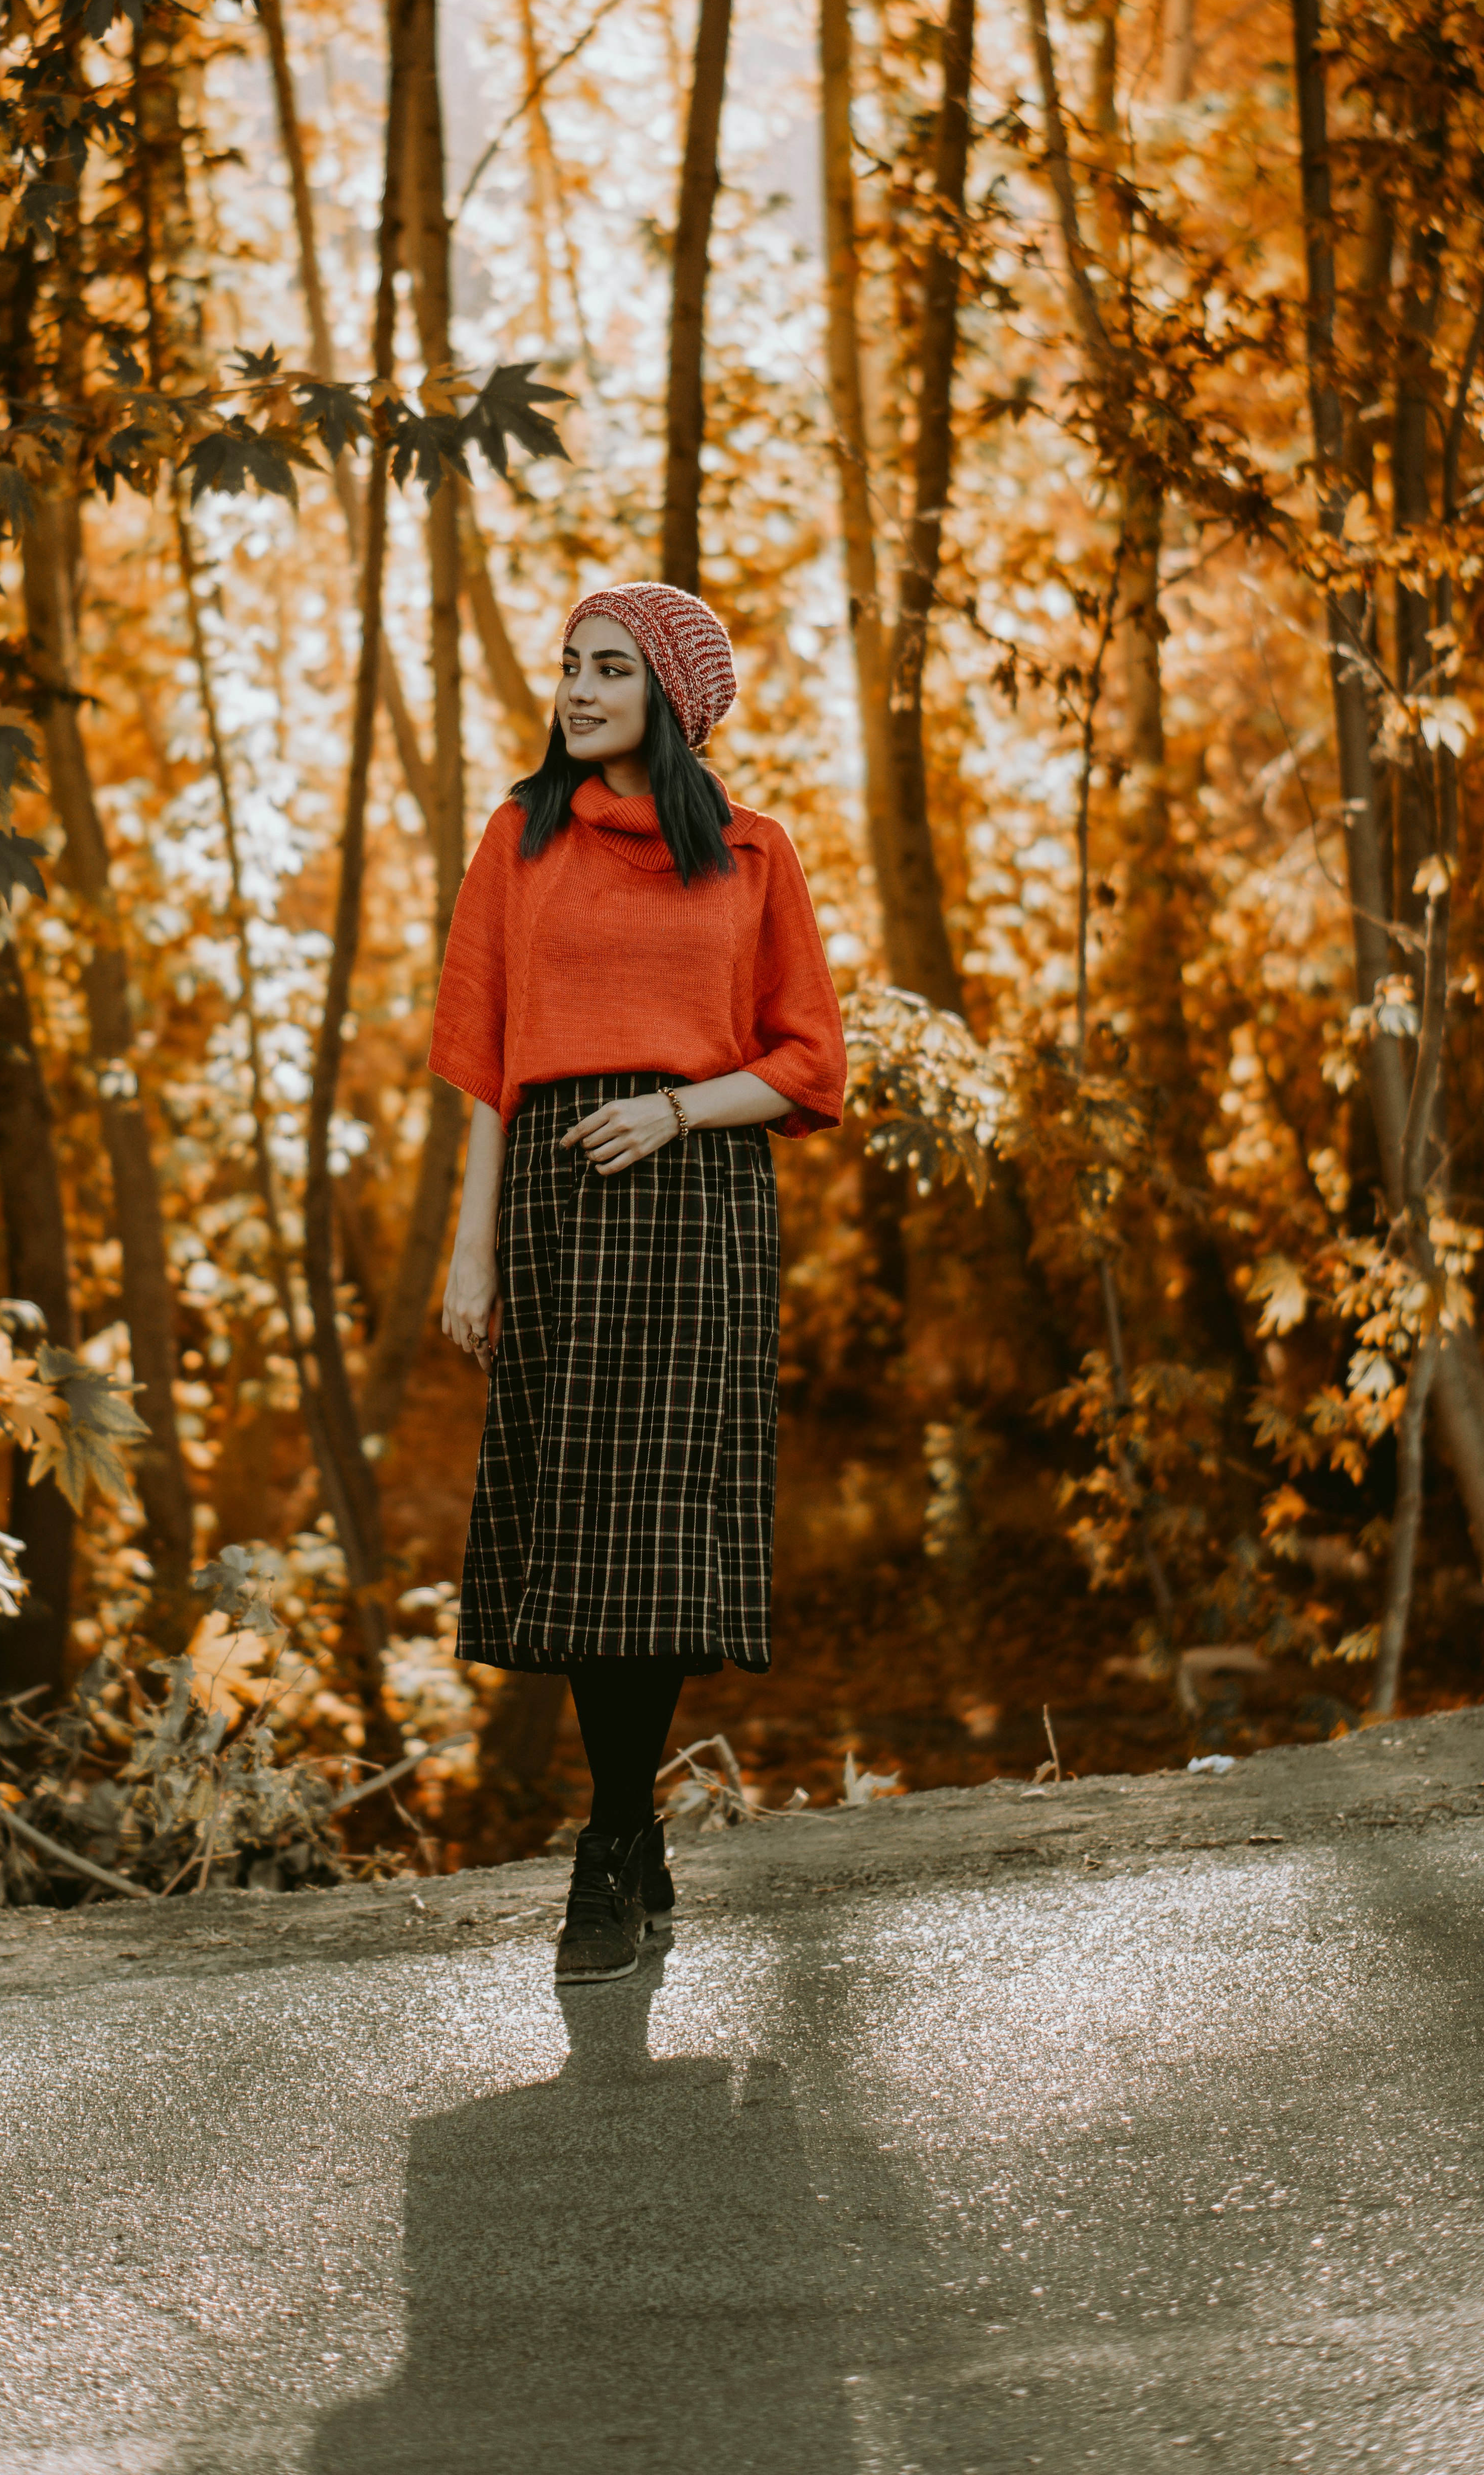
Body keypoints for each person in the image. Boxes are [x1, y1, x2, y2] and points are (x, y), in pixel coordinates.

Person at [429, 583, 846, 1983]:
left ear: (675, 697)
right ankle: (632, 1832)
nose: (580, 689)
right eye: (571, 666)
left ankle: (610, 1842)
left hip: (698, 1199)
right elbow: (485, 1064)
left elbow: (807, 1062)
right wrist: (469, 1242)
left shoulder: (749, 853)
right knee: (586, 1516)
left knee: (659, 1526)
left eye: (612, 669)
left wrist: (678, 1111)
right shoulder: (521, 837)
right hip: (552, 1194)